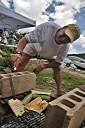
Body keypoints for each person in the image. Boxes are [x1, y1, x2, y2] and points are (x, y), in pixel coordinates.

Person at [11, 22, 80, 97]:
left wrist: (43, 66)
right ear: (62, 28)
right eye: (64, 34)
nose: (63, 39)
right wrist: (18, 53)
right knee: (21, 63)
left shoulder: (65, 47)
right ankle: (14, 87)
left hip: (49, 53)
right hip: (34, 46)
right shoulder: (48, 28)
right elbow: (24, 40)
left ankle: (59, 91)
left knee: (57, 69)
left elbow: (57, 63)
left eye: (68, 39)